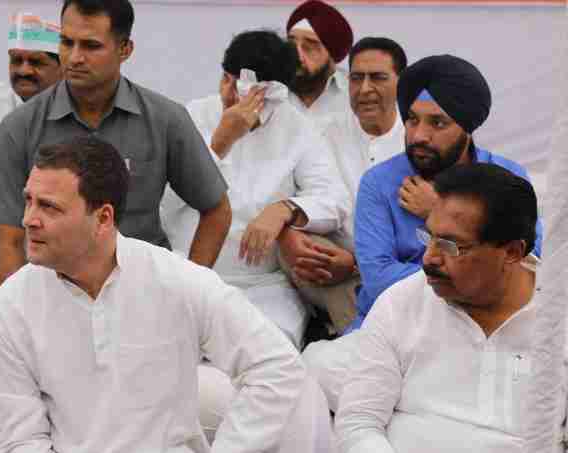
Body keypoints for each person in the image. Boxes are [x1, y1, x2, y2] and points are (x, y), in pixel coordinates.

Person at [0, 135, 332, 453]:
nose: (28, 219)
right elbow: (22, 441)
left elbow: (276, 367)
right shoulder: (12, 304)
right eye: (28, 201)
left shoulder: (175, 281)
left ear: (103, 218)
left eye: (49, 207)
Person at [302, 54, 544, 412]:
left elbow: (527, 266)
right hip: (394, 327)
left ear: (467, 127)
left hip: (485, 325)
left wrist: (441, 213)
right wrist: (470, 268)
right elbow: (380, 280)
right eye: (412, 120)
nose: (419, 136)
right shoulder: (380, 183)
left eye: (438, 123)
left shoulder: (508, 178)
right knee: (313, 364)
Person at [0, 0, 231, 288]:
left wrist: (187, 291)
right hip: (51, 292)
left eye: (90, 46)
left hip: (144, 290)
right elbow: (8, 240)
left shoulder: (165, 120)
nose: (73, 58)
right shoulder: (20, 127)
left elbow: (217, 210)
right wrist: (22, 315)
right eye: (66, 42)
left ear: (125, 49)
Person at [336, 163, 553, 453]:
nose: (429, 258)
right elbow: (358, 422)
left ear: (512, 252)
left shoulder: (557, 316)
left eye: (451, 246)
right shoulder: (402, 302)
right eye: (429, 237)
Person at [161, 29, 349, 349]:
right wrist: (218, 144)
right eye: (236, 90)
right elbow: (161, 203)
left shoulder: (298, 128)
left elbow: (335, 200)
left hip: (265, 287)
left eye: (260, 99)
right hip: (187, 275)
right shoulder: (190, 117)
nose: (244, 107)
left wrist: (285, 210)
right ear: (225, 80)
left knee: (269, 357)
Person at [278, 37, 407, 337]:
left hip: (397, 272)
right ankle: (361, 338)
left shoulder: (418, 141)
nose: (365, 90)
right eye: (357, 78)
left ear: (402, 82)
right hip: (333, 266)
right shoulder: (320, 133)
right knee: (300, 247)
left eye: (378, 78)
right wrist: (287, 235)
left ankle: (363, 338)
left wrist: (357, 265)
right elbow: (289, 196)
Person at [285, 0, 353, 129]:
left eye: (309, 47)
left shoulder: (354, 95)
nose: (297, 56)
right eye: (291, 45)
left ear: (333, 53)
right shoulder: (269, 93)